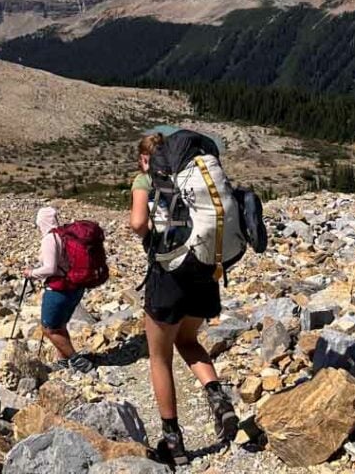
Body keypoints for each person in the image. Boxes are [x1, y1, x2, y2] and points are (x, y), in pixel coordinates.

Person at [129, 133, 238, 466]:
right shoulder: (192, 174)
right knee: (189, 340)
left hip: (168, 275)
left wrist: (150, 239)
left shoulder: (145, 179)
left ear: (145, 158)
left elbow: (137, 223)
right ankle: (217, 397)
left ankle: (173, 441)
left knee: (159, 358)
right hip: (204, 269)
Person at [22, 206, 94, 373]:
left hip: (59, 289)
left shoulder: (50, 238)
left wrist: (31, 273)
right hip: (75, 287)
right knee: (59, 325)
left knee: (49, 329)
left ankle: (77, 361)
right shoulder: (66, 234)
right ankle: (62, 360)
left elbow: (50, 269)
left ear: (42, 222)